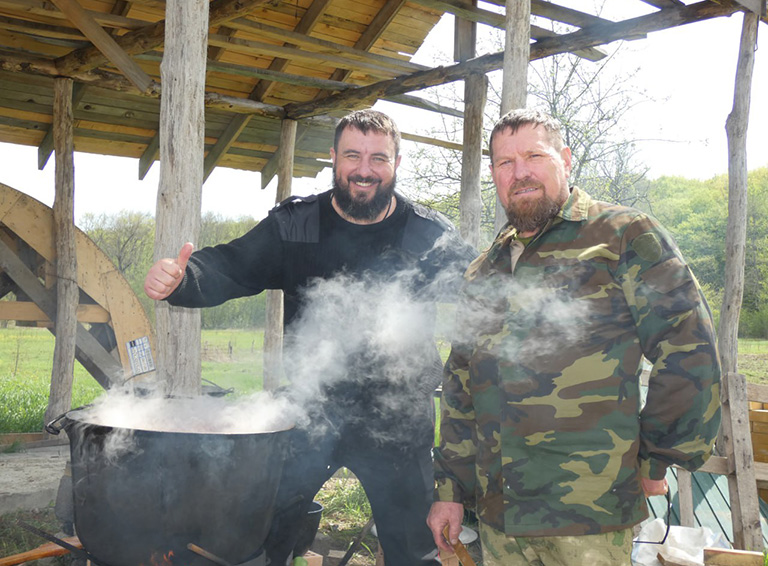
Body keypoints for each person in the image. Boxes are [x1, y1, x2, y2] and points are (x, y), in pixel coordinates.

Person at [144, 109, 476, 566]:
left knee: (411, 551)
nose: (364, 169)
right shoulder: (295, 225)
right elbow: (232, 265)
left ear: (397, 163)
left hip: (398, 421)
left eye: (378, 158)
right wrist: (183, 279)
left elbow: (486, 296)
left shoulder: (428, 233)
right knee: (262, 535)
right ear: (333, 159)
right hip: (308, 411)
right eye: (353, 155)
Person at [426, 109, 722, 566]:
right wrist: (449, 490)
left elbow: (689, 348)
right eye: (505, 163)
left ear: (565, 159)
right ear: (493, 175)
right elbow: (461, 385)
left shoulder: (622, 236)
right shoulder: (484, 270)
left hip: (591, 515)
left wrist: (658, 457)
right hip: (500, 517)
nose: (520, 172)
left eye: (534, 156)